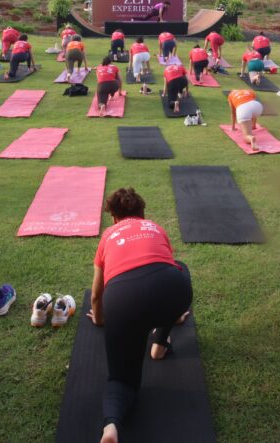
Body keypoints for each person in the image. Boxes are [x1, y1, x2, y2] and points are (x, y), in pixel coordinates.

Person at [87, 187, 191, 443]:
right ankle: (160, 340)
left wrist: (100, 320)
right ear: (143, 214)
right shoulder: (155, 227)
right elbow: (166, 262)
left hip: (124, 300)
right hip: (173, 290)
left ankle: (111, 427)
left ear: (113, 218)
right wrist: (174, 312)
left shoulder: (108, 235)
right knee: (181, 269)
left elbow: (97, 294)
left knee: (122, 381)